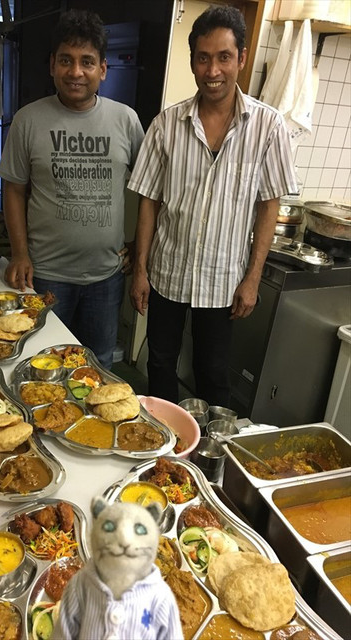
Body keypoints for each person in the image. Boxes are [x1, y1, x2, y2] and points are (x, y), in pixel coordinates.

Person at [128, 6, 297, 406]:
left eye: (224, 57)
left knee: (213, 374)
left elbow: (268, 206)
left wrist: (253, 279)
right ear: (192, 62)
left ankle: (208, 444)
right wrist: (140, 270)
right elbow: (148, 201)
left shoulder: (268, 127)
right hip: (167, 273)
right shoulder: (166, 124)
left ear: (241, 58)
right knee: (160, 363)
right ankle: (165, 439)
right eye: (203, 58)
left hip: (223, 281)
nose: (213, 70)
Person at [0, 9, 144, 370]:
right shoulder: (28, 120)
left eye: (87, 62)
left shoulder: (126, 120)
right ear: (52, 65)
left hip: (106, 277)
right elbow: (13, 190)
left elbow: (149, 191)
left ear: (102, 69)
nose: (76, 72)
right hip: (45, 274)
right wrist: (19, 254)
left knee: (98, 366)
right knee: (38, 365)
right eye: (66, 60)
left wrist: (139, 247)